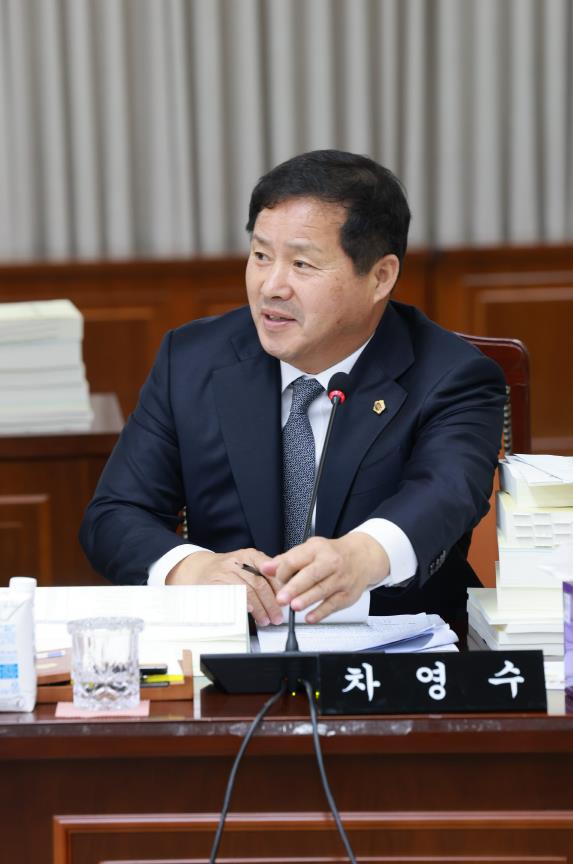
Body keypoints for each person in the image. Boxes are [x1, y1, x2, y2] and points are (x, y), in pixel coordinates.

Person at [80, 149, 505, 628]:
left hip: (393, 644)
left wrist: (363, 555)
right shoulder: (193, 359)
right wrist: (192, 568)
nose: (271, 287)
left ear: (380, 277)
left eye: (302, 264)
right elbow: (115, 514)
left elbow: (447, 492)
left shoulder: (453, 375)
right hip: (231, 644)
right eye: (261, 256)